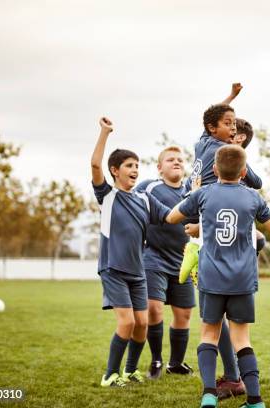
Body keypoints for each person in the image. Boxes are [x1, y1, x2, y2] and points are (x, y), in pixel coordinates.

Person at [166, 144, 270, 408]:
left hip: (212, 277)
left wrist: (196, 203)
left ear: (215, 169)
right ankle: (255, 400)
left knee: (209, 335)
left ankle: (208, 395)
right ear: (243, 172)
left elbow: (173, 217)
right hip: (242, 279)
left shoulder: (204, 193)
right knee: (242, 339)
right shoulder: (253, 197)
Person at [91, 117, 170, 387]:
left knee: (141, 325)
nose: (135, 169)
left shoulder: (144, 199)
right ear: (115, 170)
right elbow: (94, 165)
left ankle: (130, 371)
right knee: (126, 323)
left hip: (138, 273)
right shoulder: (108, 196)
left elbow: (171, 217)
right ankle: (109, 375)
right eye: (129, 165)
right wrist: (104, 133)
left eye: (137, 165)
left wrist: (194, 217)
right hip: (113, 268)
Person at [135, 146, 195, 379]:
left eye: (180, 159)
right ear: (160, 167)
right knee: (154, 309)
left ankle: (175, 363)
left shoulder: (193, 191)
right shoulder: (148, 187)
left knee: (184, 315)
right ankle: (156, 361)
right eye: (170, 159)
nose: (176, 162)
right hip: (154, 257)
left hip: (183, 262)